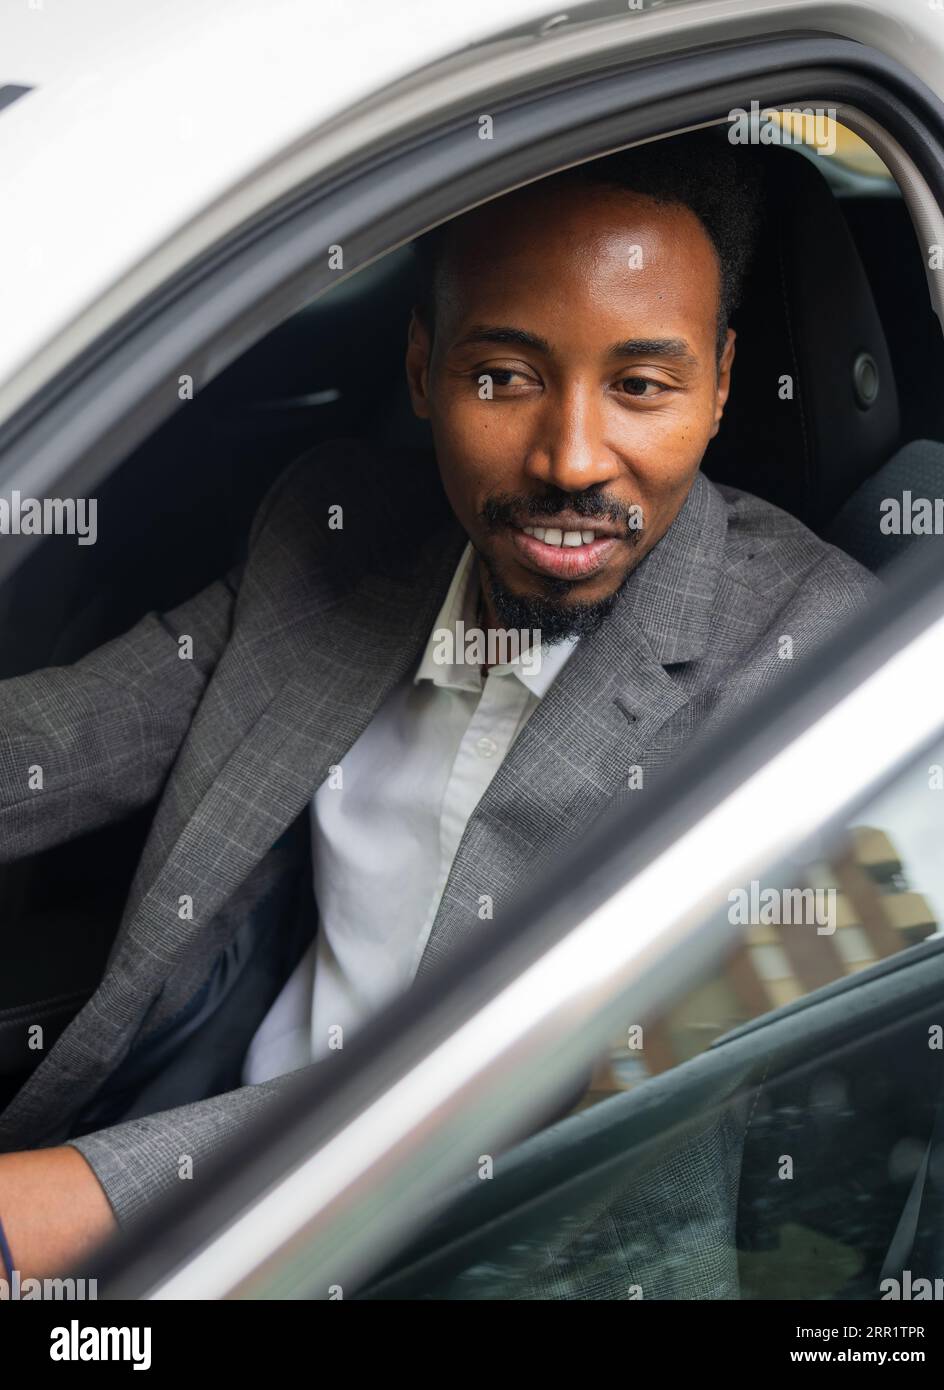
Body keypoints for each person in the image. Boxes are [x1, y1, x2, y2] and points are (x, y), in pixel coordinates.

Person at [0, 129, 881, 1281]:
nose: (572, 458)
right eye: (503, 377)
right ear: (423, 371)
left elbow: (544, 1077)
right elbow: (65, 738)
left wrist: (72, 1205)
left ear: (719, 384)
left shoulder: (818, 653)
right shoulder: (341, 534)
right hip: (212, 1217)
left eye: (641, 386)